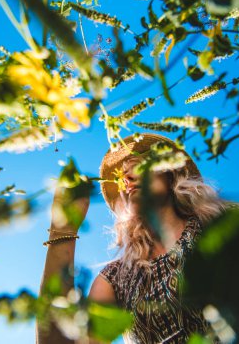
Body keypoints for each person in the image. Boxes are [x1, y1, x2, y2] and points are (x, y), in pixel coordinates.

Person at [37, 133, 227, 344]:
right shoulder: (117, 277)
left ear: (170, 170)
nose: (126, 179)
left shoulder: (220, 226)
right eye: (121, 177)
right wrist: (63, 228)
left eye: (137, 165)